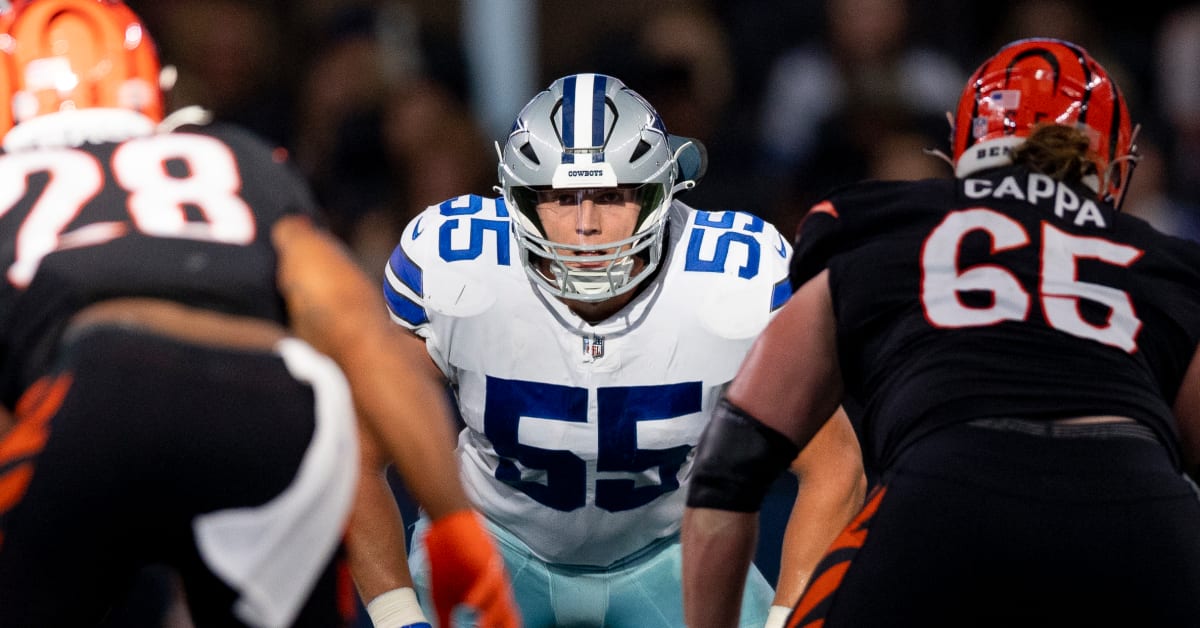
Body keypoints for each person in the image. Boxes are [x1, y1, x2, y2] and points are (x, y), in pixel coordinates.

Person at [0, 1, 519, 627]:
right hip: (275, 406)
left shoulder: (13, 182)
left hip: (96, 395)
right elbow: (355, 329)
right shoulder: (232, 158)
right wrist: (456, 520)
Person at [681, 37, 1200, 627]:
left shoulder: (880, 224)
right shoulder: (1163, 263)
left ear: (964, 144)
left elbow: (732, 463)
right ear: (1114, 167)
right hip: (1137, 508)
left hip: (948, 491)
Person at [361, 73, 866, 627]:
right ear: (516, 198)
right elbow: (358, 454)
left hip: (673, 554)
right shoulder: (457, 266)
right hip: (494, 545)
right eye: (557, 197)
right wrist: (396, 617)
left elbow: (834, 467)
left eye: (612, 195)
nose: (586, 225)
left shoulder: (734, 278)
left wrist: (789, 621)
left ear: (660, 190)